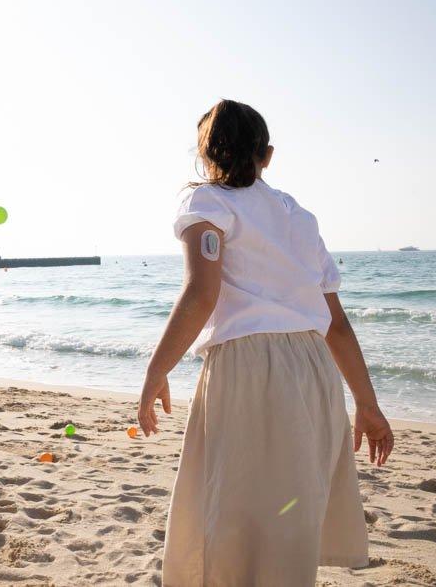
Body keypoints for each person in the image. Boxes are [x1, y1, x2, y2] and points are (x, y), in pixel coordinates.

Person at [138, 100, 393, 586]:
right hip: (316, 369)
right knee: (286, 523)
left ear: (204, 154)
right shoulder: (300, 218)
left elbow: (201, 292)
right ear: (267, 156)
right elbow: (335, 324)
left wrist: (156, 371)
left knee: (237, 520)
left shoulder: (208, 202)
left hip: (249, 365)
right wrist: (367, 404)